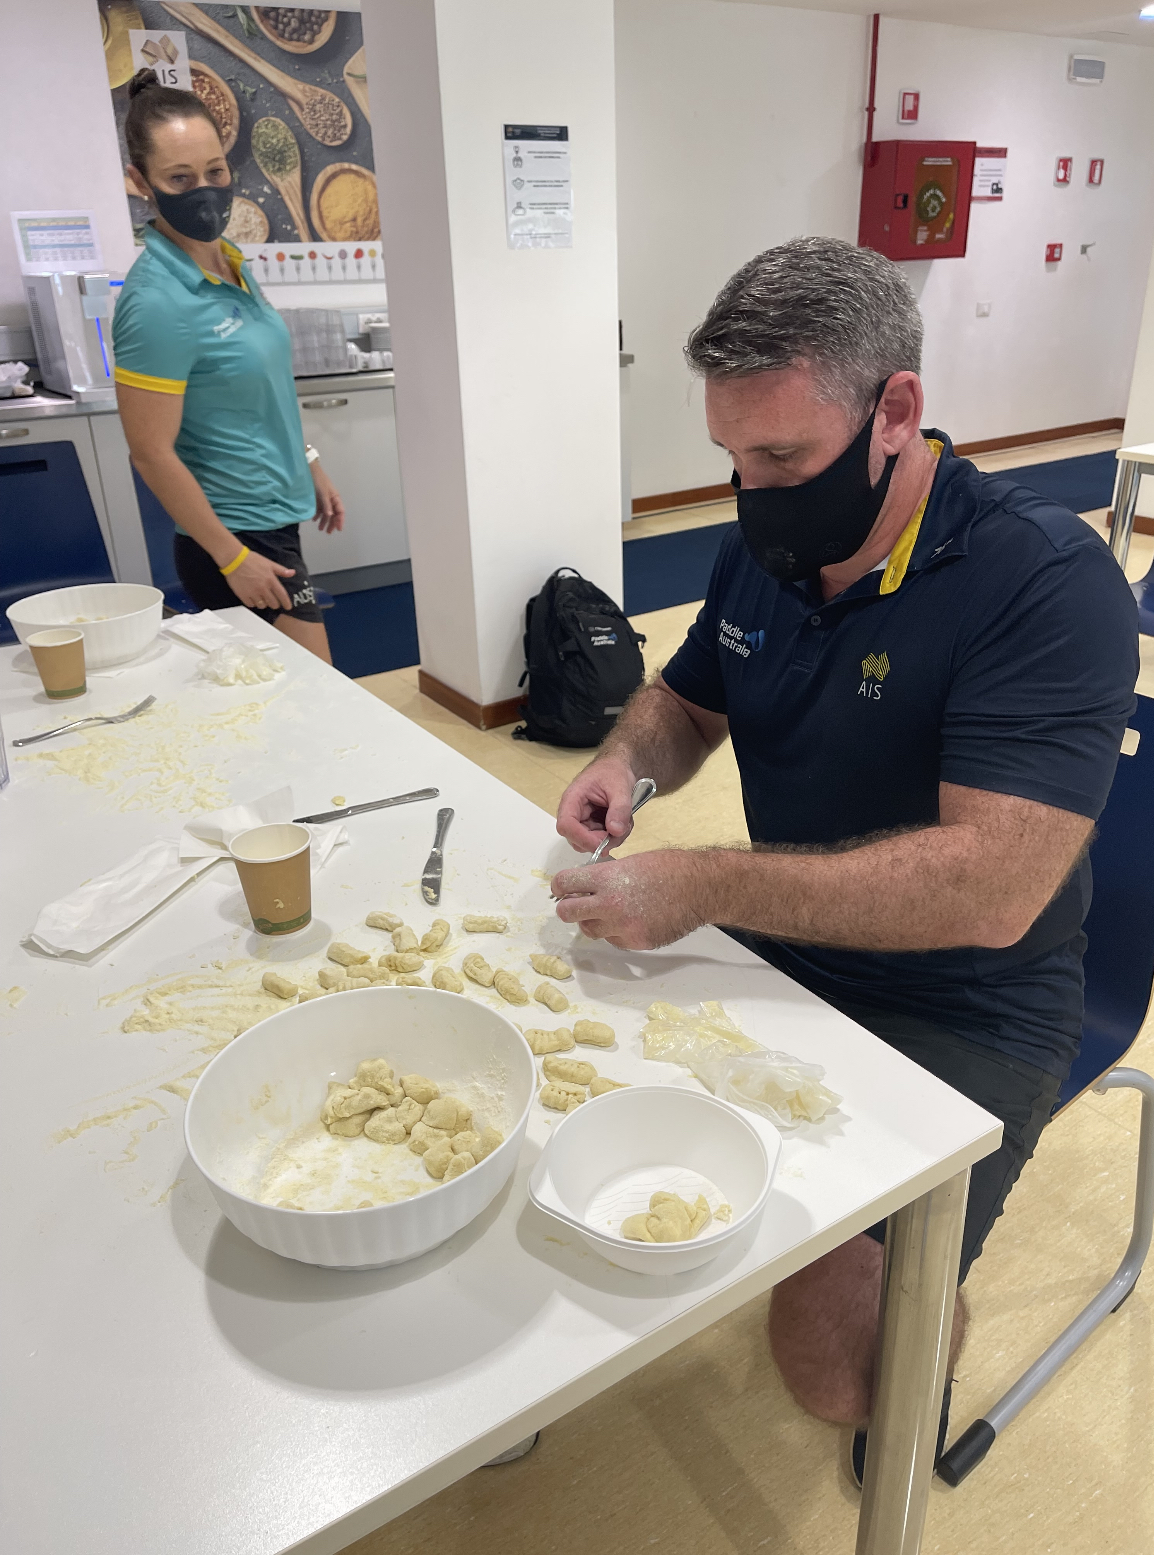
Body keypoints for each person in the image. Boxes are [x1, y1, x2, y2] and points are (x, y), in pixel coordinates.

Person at [551, 236, 1138, 1478]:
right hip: (797, 940)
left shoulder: (1039, 583)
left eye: (778, 458)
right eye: (728, 458)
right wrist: (628, 764)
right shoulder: (763, 549)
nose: (749, 491)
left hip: (972, 994)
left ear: (896, 411)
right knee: (556, 1047)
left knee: (829, 1365)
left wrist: (701, 885)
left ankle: (912, 1362)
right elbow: (689, 702)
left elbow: (991, 890)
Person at [112, 69, 345, 663]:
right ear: (140, 182)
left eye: (215, 172)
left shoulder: (231, 264)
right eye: (179, 178)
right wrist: (233, 558)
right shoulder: (157, 300)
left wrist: (307, 460)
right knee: (316, 696)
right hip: (236, 535)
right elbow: (150, 451)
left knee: (281, 706)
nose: (206, 191)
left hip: (273, 516)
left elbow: (254, 386)